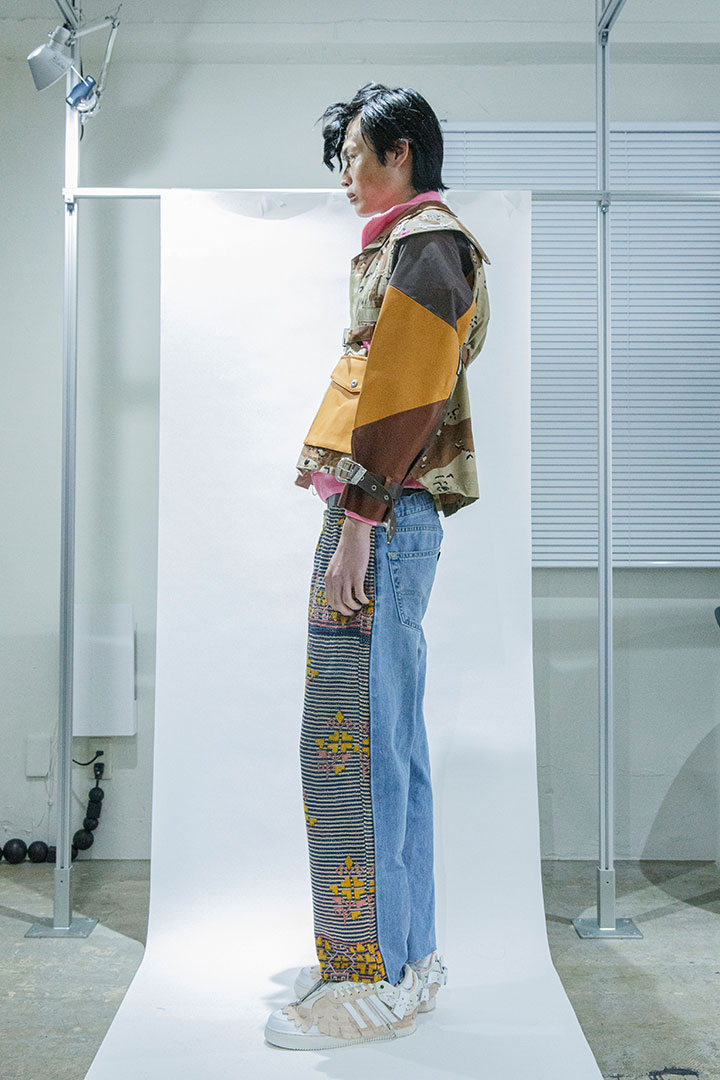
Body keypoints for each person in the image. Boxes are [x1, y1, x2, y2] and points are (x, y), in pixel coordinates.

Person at [264, 82, 491, 1051]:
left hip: (382, 513)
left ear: (400, 152)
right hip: (386, 510)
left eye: (355, 155)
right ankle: (407, 958)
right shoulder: (418, 244)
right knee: (384, 740)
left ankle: (372, 977)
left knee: (354, 744)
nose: (346, 176)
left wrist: (359, 520)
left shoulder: (428, 245)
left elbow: (404, 393)